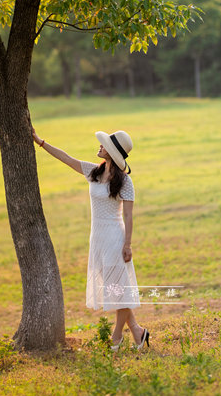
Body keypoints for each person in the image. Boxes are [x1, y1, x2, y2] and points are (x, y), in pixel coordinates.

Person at [32, 126, 150, 352]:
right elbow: (66, 158)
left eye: (104, 144)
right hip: (97, 237)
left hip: (115, 238)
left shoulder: (125, 183)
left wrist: (127, 244)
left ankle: (116, 337)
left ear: (112, 152)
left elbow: (128, 215)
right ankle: (138, 332)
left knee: (119, 288)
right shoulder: (94, 172)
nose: (100, 146)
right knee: (115, 288)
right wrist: (40, 142)